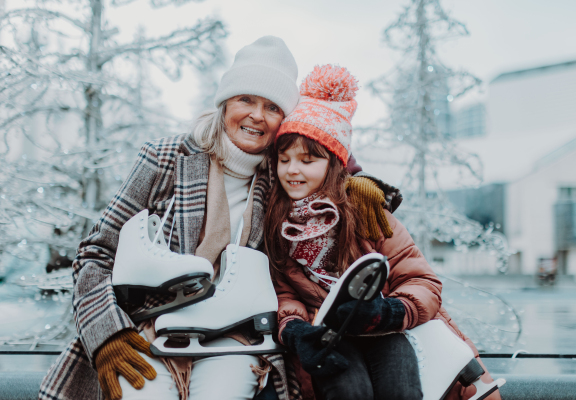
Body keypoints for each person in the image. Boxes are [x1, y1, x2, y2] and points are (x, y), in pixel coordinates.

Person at [38, 37, 391, 400]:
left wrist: (356, 181)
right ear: (225, 104)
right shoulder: (166, 158)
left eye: (272, 107)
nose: (257, 115)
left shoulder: (282, 176)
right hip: (150, 325)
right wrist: (108, 334)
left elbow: (322, 155)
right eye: (246, 99)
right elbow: (96, 253)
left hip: (235, 336)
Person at [264, 64, 502, 400]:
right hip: (329, 335)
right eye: (284, 159)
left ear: (333, 163)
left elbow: (422, 282)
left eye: (307, 160)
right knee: (349, 391)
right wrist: (295, 329)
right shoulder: (276, 222)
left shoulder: (365, 208)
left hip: (387, 331)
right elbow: (284, 293)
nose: (292, 170)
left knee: (400, 391)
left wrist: (386, 312)